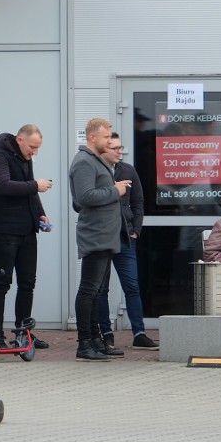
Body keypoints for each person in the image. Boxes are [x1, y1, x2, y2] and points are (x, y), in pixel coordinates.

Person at [0, 124, 53, 350]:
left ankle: (24, 333)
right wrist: (35, 185)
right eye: (32, 147)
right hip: (4, 231)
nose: (35, 152)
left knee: (27, 283)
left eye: (37, 148)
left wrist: (40, 214)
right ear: (20, 140)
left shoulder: (25, 158)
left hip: (26, 230)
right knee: (2, 282)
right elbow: (4, 186)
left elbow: (30, 192)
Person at [68, 117, 131, 361]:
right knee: (89, 290)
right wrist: (114, 191)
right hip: (95, 235)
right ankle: (84, 344)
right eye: (106, 137)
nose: (110, 141)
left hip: (105, 236)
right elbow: (83, 197)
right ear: (93, 138)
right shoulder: (84, 161)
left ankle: (96, 341)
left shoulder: (94, 161)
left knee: (96, 292)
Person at [96, 132, 158, 352]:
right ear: (104, 148)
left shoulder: (128, 170)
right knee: (100, 288)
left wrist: (136, 231)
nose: (119, 151)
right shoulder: (95, 170)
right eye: (115, 148)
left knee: (132, 286)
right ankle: (106, 334)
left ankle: (139, 333)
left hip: (125, 237)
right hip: (103, 237)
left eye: (121, 147)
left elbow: (139, 202)